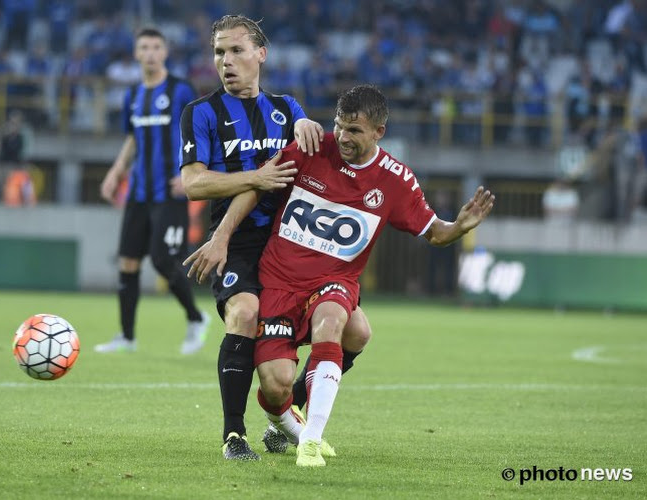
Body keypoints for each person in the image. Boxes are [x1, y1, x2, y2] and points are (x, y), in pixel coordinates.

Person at [187, 85, 495, 467]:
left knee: (342, 323)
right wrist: (222, 235)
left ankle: (311, 441)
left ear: (379, 131)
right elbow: (258, 185)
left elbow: (435, 232)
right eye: (339, 126)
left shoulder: (396, 180)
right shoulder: (311, 149)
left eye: (354, 130)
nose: (343, 138)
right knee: (275, 383)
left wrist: (459, 226)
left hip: (333, 282)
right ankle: (285, 423)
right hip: (280, 281)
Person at [180, 15, 372, 460]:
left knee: (357, 332)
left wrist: (310, 125)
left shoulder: (287, 110)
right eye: (219, 52)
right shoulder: (201, 113)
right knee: (244, 313)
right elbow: (193, 184)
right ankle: (233, 434)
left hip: (295, 244)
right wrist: (258, 178)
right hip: (240, 243)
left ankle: (286, 414)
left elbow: (314, 150)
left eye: (236, 50)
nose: (226, 61)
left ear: (260, 54)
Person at [96, 27, 210, 355]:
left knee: (162, 260)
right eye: (143, 47)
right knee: (128, 262)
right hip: (139, 191)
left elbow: (201, 129)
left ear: (165, 52)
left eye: (156, 47)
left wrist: (193, 171)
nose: (149, 52)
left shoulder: (180, 90)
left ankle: (195, 317)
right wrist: (116, 173)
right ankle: (127, 337)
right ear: (135, 53)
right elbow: (132, 137)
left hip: (170, 191)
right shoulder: (133, 95)